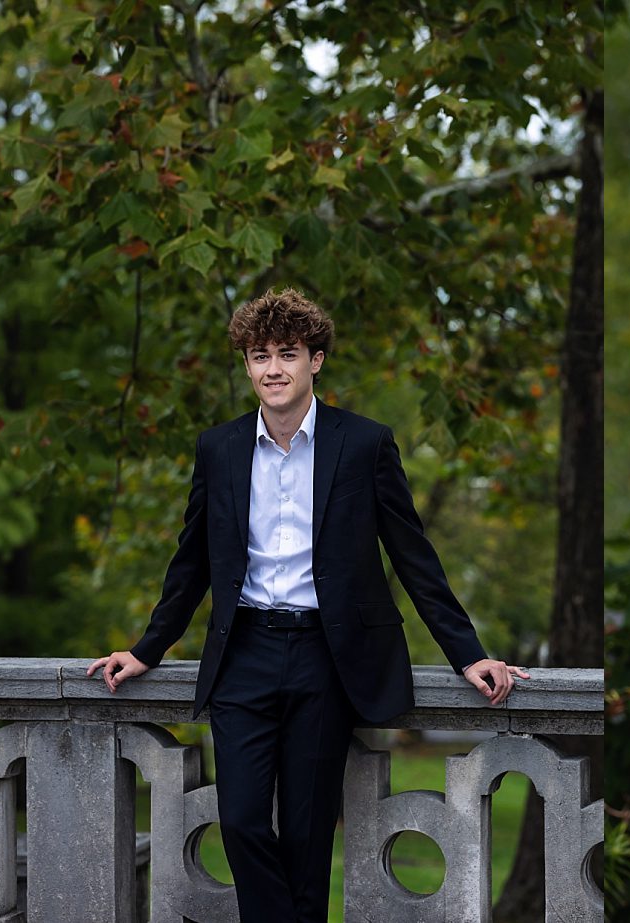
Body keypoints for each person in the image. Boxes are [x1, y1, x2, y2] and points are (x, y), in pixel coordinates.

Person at [85, 290, 530, 922]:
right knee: (239, 821)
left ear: (315, 360)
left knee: (307, 835)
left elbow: (413, 556)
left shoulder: (366, 443)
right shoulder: (220, 448)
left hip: (329, 657)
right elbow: (191, 564)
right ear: (246, 365)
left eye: (287, 354)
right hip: (244, 654)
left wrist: (468, 652)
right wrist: (146, 648)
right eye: (259, 355)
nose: (272, 368)